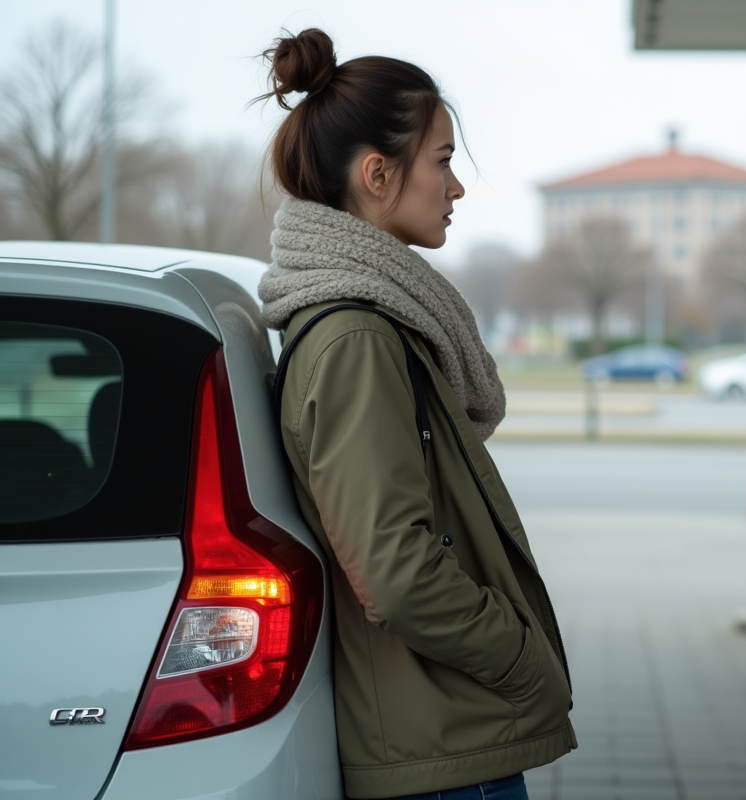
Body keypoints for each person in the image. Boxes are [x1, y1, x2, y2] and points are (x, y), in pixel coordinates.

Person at [256, 28, 575, 800]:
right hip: (436, 752)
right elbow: (395, 573)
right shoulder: (357, 337)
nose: (457, 186)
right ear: (376, 174)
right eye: (442, 161)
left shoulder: (376, 323)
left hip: (440, 733)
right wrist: (522, 656)